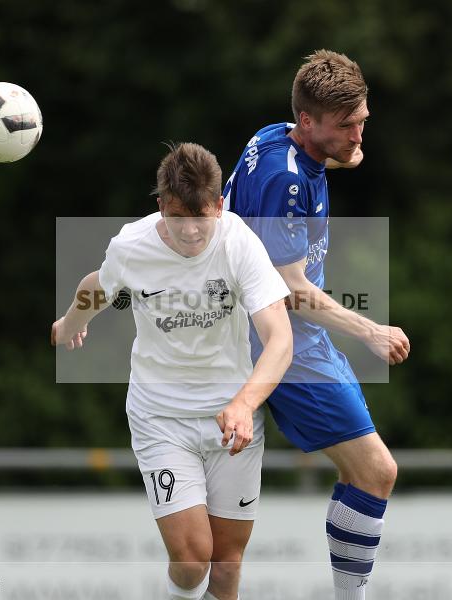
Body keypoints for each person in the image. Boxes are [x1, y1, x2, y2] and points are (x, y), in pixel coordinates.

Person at [52, 142, 292, 600]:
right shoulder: (131, 246)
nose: (190, 231)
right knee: (191, 558)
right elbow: (98, 287)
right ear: (161, 204)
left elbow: (280, 339)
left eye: (201, 218)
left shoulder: (239, 242)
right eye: (178, 217)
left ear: (219, 206)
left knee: (224, 565)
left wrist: (244, 404)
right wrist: (69, 324)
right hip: (161, 417)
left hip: (231, 419)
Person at [222, 50, 411, 599]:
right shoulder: (288, 185)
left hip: (252, 329)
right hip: (284, 339)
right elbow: (292, 293)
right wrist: (371, 331)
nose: (358, 133)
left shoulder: (274, 135)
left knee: (222, 544)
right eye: (346, 125)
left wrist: (340, 153)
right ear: (309, 121)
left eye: (362, 120)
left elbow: (313, 162)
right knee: (375, 471)